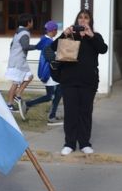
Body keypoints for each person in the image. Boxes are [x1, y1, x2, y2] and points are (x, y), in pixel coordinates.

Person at [52, 9, 108, 156]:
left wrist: (91, 36)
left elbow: (103, 49)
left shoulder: (95, 37)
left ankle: (84, 143)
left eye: (86, 18)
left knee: (85, 112)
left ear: (90, 21)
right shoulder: (70, 36)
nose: (83, 20)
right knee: (70, 112)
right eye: (80, 18)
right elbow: (52, 48)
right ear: (76, 20)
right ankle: (69, 143)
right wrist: (64, 34)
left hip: (88, 81)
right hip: (69, 80)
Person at [25, 20, 62, 124]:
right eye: (56, 30)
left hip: (48, 72)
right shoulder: (48, 42)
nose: (56, 32)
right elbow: (50, 57)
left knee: (58, 92)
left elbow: (38, 48)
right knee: (51, 95)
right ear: (53, 30)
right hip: (50, 72)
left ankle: (52, 115)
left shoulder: (45, 39)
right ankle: (30, 104)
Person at [5, 13, 35, 121]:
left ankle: (18, 95)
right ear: (28, 23)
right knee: (15, 82)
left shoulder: (18, 31)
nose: (33, 23)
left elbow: (11, 45)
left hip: (17, 60)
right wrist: (37, 46)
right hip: (18, 62)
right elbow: (25, 46)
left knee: (29, 76)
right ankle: (9, 104)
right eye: (31, 21)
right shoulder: (25, 33)